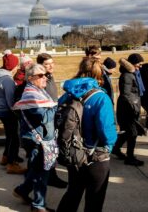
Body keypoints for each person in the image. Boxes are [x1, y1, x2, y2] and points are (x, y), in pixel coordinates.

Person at [56, 58, 117, 212]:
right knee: (95, 198)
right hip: (96, 154)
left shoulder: (67, 95)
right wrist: (111, 142)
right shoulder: (101, 97)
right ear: (99, 73)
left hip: (74, 152)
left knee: (73, 192)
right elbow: (106, 131)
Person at [12, 63, 58, 212]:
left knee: (37, 170)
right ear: (31, 78)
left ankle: (22, 190)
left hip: (41, 139)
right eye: (41, 75)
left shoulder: (39, 91)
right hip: (36, 140)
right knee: (41, 174)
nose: (45, 78)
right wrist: (57, 106)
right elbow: (45, 117)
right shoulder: (31, 95)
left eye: (45, 75)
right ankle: (38, 205)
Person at [36, 53, 67, 188]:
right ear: (40, 66)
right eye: (47, 64)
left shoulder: (50, 77)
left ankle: (50, 175)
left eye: (52, 63)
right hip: (47, 118)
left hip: (53, 116)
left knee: (52, 149)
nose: (51, 66)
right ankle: (50, 177)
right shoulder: (41, 80)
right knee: (49, 150)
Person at [0, 53, 27, 174]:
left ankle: (6, 156)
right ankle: (11, 164)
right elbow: (10, 100)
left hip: (2, 110)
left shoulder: (0, 75)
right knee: (14, 137)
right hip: (8, 111)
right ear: (12, 66)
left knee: (9, 136)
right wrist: (16, 112)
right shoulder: (7, 80)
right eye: (16, 64)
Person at [111, 53, 145, 166]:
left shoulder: (134, 74)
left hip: (131, 106)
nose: (140, 66)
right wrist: (134, 107)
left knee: (127, 132)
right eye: (138, 64)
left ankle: (116, 149)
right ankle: (130, 157)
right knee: (132, 133)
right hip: (127, 108)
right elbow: (126, 95)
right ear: (132, 64)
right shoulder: (127, 75)